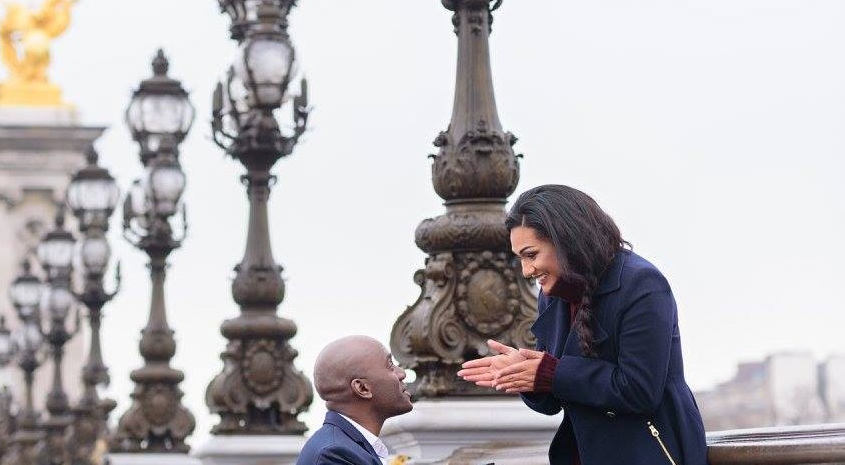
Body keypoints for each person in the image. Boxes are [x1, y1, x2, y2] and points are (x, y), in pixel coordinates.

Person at [458, 185, 708, 465]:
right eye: (520, 259)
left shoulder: (642, 284)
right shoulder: (552, 295)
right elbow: (553, 402)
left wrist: (551, 374)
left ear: (566, 241)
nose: (527, 271)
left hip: (651, 452)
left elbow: (641, 390)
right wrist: (523, 375)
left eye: (531, 255)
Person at [297, 335, 414, 465]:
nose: (402, 373)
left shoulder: (350, 447)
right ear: (362, 388)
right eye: (390, 365)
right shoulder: (334, 454)